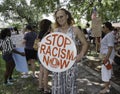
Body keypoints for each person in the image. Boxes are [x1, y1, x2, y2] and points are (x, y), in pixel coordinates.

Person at [52, 8, 88, 94]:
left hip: (71, 65)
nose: (60, 19)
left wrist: (81, 55)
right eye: (57, 18)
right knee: (58, 88)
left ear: (67, 16)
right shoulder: (55, 31)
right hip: (58, 65)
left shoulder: (75, 30)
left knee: (71, 88)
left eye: (61, 16)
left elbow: (85, 44)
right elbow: (50, 46)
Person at [99, 22, 115, 93]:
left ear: (107, 28)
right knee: (108, 70)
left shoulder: (109, 35)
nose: (103, 28)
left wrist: (106, 58)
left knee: (105, 71)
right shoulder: (108, 35)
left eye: (104, 27)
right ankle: (108, 84)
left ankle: (106, 88)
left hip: (107, 56)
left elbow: (110, 47)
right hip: (106, 56)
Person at [37, 19, 52, 94]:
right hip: (46, 54)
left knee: (41, 71)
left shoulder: (40, 33)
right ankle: (46, 89)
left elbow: (38, 43)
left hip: (40, 53)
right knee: (46, 72)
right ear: (48, 25)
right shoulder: (49, 33)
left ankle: (40, 87)